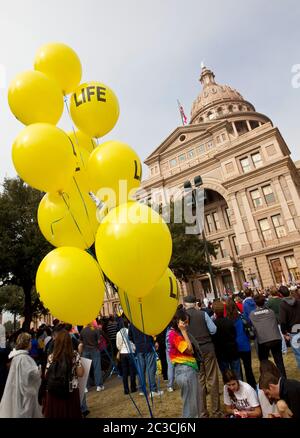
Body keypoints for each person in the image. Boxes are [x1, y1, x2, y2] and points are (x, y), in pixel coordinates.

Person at [183, 295, 222, 418]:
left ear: (185, 304)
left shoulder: (183, 318)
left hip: (194, 351)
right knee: (212, 379)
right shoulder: (203, 314)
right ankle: (216, 410)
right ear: (195, 304)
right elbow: (213, 330)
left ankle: (202, 413)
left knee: (200, 382)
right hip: (207, 348)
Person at [168, 308, 201, 418]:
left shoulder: (177, 334)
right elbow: (190, 350)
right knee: (191, 408)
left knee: (195, 404)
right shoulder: (174, 335)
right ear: (177, 321)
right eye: (184, 322)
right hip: (185, 371)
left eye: (187, 322)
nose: (186, 325)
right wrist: (183, 331)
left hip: (188, 370)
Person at [43, 329, 84, 418]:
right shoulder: (74, 355)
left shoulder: (51, 356)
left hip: (55, 390)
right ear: (69, 342)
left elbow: (46, 374)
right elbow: (80, 373)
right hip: (71, 390)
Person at [0, 332, 42, 418]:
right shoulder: (25, 358)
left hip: (15, 388)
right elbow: (30, 375)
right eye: (30, 341)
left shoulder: (16, 357)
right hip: (24, 394)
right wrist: (39, 370)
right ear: (26, 343)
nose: (31, 343)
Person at [250, 295, 287, 378]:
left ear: (255, 303)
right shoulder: (270, 311)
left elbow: (253, 327)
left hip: (263, 340)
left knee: (264, 362)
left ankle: (267, 379)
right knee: (279, 361)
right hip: (275, 338)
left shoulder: (252, 314)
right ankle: (283, 379)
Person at [226, 298, 256, 389]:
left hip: (235, 347)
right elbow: (248, 327)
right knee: (248, 368)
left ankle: (241, 386)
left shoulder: (228, 320)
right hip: (244, 345)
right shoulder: (242, 317)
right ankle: (252, 385)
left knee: (237, 369)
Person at [128, 323, 163, 397]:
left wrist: (137, 343)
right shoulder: (144, 320)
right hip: (148, 347)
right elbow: (153, 332)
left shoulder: (132, 323)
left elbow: (130, 337)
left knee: (141, 369)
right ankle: (152, 390)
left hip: (139, 348)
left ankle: (142, 389)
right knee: (150, 369)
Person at [212, 301, 241, 379]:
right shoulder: (229, 322)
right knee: (236, 374)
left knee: (226, 375)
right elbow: (234, 334)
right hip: (232, 350)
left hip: (221, 352)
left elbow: (213, 339)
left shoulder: (214, 324)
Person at [279, 285, 300, 368]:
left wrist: (284, 333)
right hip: (294, 330)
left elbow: (282, 320)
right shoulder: (297, 301)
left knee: (298, 354)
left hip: (293, 331)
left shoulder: (283, 305)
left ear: (280, 294)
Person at [79, 321, 104, 392]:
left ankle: (86, 387)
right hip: (95, 350)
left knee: (85, 369)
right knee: (97, 368)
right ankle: (99, 386)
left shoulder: (82, 331)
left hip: (85, 351)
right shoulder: (95, 330)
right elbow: (99, 341)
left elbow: (81, 342)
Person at [116, 320, 137, 395]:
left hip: (123, 353)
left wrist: (121, 349)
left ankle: (126, 389)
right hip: (130, 352)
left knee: (124, 372)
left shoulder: (118, 333)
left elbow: (118, 345)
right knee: (132, 371)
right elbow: (133, 341)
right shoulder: (129, 331)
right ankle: (133, 387)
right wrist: (134, 349)